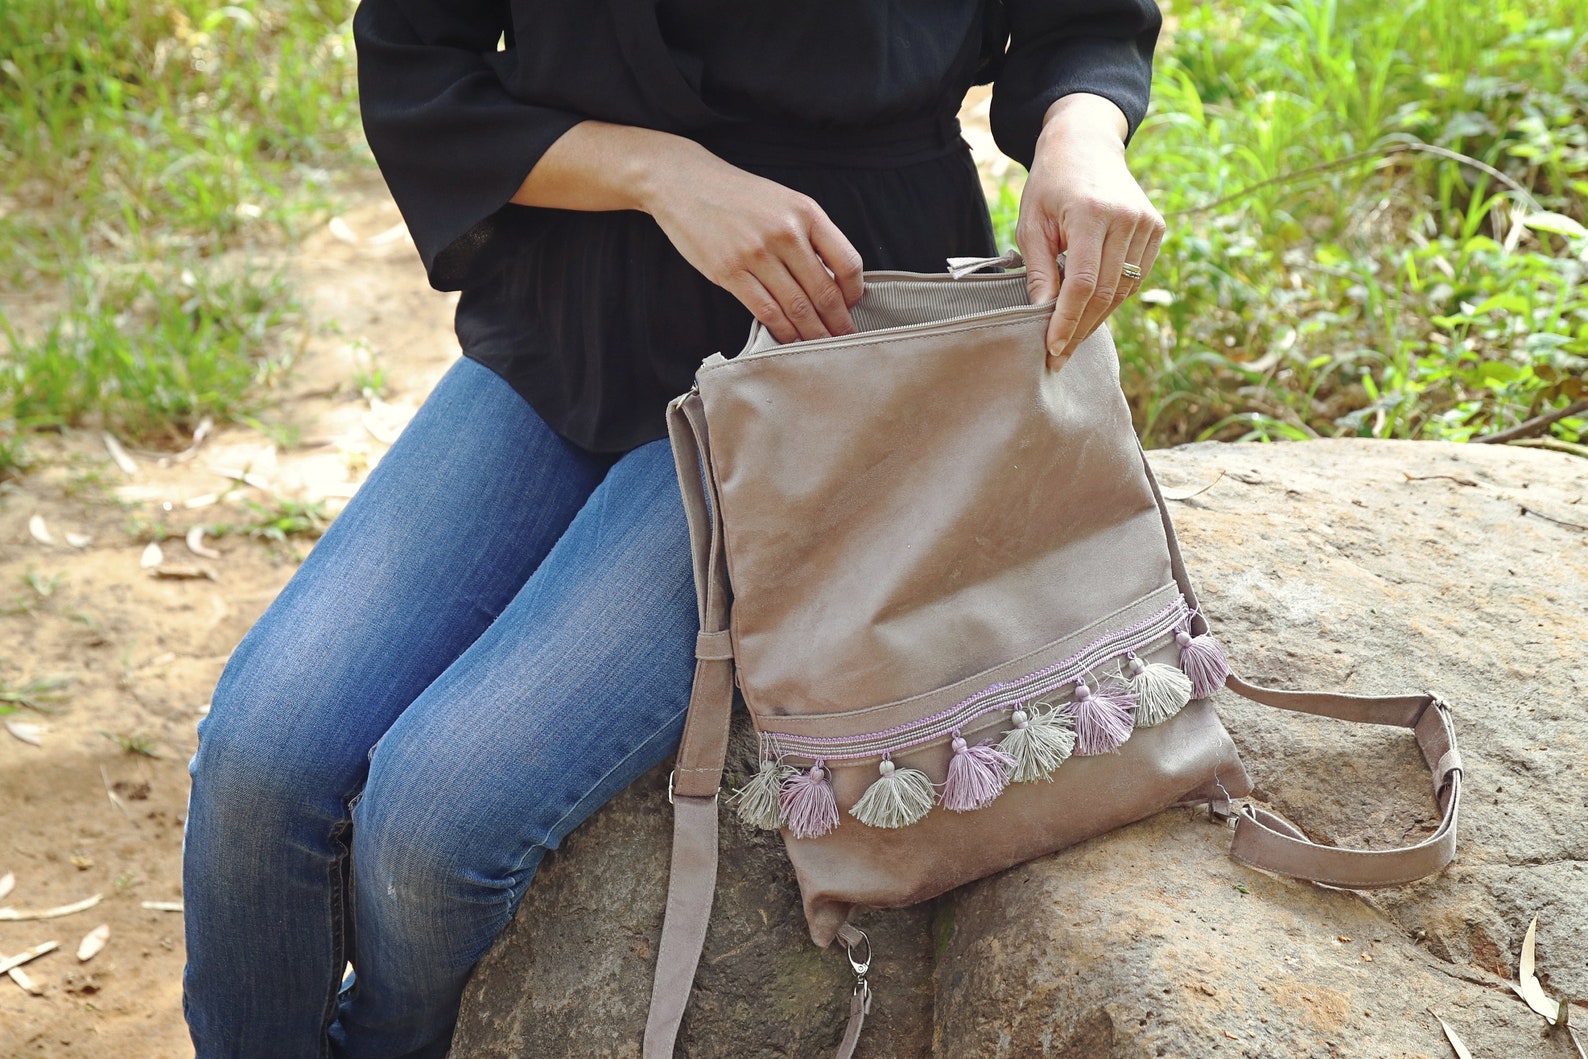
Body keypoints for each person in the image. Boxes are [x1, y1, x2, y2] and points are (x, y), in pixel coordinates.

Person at [180, 1, 1167, 1056]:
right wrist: (661, 173)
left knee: (433, 820)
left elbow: (1082, 22)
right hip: (566, 316)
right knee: (259, 765)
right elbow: (420, 63)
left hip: (828, 344)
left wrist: (1081, 134)